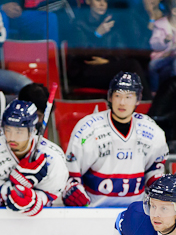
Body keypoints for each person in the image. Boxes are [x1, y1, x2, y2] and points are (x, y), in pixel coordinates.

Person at [61, 71, 167, 207]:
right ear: (110, 97)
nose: (122, 102)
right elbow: (71, 175)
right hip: (94, 212)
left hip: (136, 212)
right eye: (118, 95)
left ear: (138, 99)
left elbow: (154, 170)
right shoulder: (87, 129)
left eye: (128, 97)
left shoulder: (152, 131)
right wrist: (72, 190)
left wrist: (159, 185)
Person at [0, 99, 69, 215]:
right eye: (8, 130)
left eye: (19, 132)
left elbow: (54, 193)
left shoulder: (53, 157)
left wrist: (35, 199)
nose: (12, 137)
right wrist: (19, 185)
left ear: (32, 131)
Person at [65, 0, 148, 95]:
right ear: (88, 1)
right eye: (98, 0)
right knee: (132, 66)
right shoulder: (78, 24)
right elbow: (83, 55)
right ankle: (147, 101)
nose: (102, 4)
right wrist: (97, 34)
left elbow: (120, 49)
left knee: (136, 66)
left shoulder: (110, 22)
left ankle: (144, 100)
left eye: (105, 1)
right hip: (85, 71)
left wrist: (108, 62)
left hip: (106, 66)